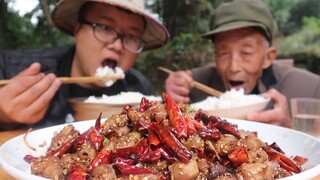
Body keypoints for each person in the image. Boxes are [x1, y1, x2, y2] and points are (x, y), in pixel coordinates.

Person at [0, 0, 169, 130]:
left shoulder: (138, 87)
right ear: (77, 30)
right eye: (105, 27)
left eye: (132, 37)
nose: (117, 46)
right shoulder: (12, 67)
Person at [165, 0, 320, 127]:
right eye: (223, 53)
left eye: (246, 53)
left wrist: (288, 125)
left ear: (268, 57)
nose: (233, 67)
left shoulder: (309, 88)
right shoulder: (197, 82)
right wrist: (171, 94)